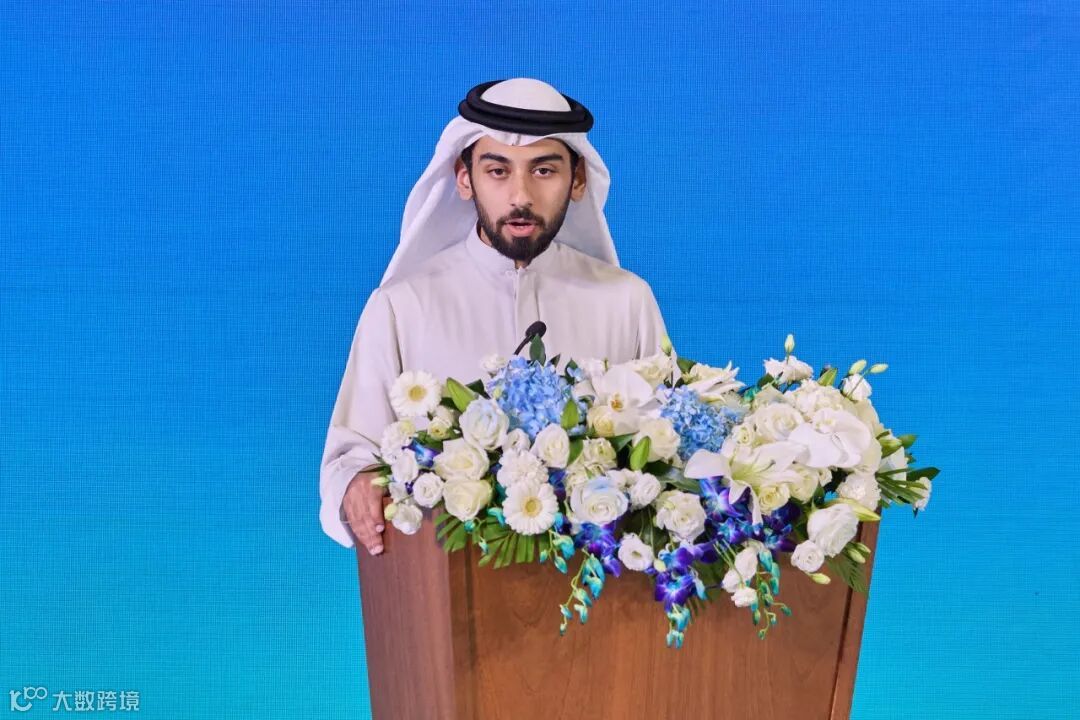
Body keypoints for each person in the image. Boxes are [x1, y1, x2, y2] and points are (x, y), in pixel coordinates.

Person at [319, 78, 670, 555]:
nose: (520, 195)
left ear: (578, 180)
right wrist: (357, 484)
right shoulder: (402, 306)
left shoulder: (626, 300)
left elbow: (668, 452)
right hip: (446, 576)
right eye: (498, 171)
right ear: (465, 179)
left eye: (544, 170)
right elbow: (349, 456)